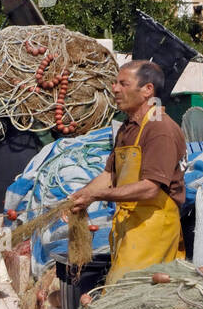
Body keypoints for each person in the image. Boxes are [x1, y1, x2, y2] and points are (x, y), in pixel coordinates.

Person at [71, 60, 187, 284]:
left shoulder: (159, 128)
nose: (115, 88)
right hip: (130, 224)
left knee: (123, 293)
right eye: (115, 83)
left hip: (153, 227)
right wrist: (81, 197)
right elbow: (109, 176)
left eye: (123, 83)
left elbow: (150, 188)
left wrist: (96, 196)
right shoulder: (127, 128)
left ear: (147, 90)